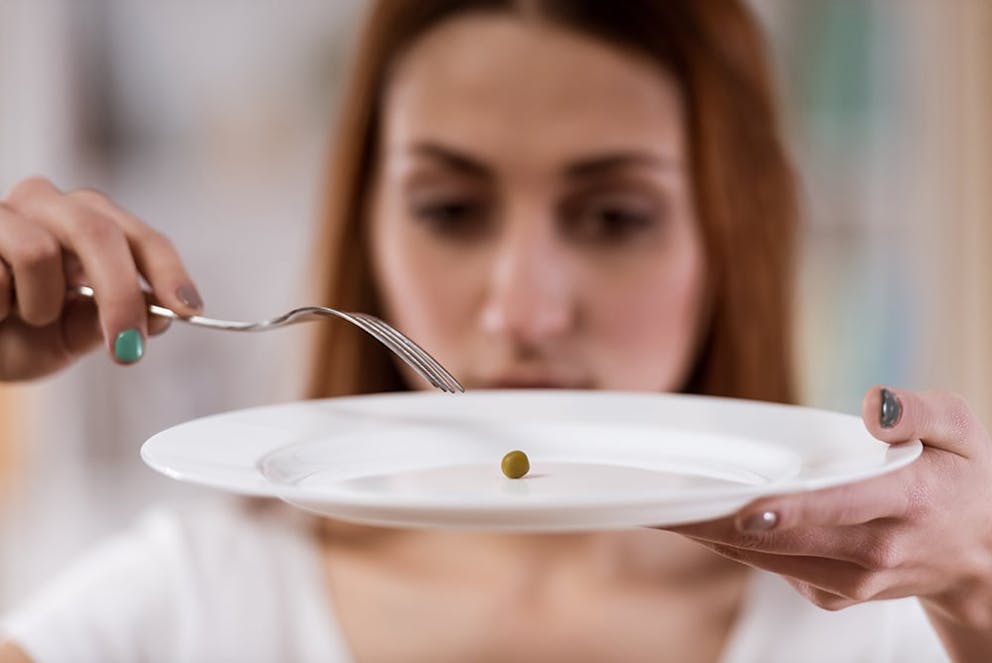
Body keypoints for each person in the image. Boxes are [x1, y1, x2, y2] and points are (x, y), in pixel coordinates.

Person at [0, 1, 989, 661]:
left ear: (731, 234)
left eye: (613, 218)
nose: (521, 309)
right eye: (449, 210)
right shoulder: (188, 603)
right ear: (367, 227)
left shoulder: (888, 629)